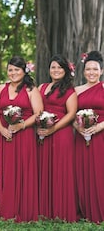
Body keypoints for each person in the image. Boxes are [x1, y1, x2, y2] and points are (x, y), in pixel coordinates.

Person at [0, 56, 43, 222]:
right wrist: (2, 129)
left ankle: (25, 209)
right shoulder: (1, 88)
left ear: (24, 71)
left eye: (17, 69)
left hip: (25, 135)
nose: (13, 73)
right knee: (8, 170)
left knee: (24, 169)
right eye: (10, 69)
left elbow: (38, 113)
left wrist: (21, 126)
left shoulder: (31, 90)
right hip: (6, 136)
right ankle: (8, 209)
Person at [37, 54, 78, 222]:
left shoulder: (69, 90)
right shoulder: (41, 87)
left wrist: (53, 128)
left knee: (60, 170)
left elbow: (71, 114)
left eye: (59, 67)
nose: (56, 70)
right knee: (44, 168)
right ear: (49, 69)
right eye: (53, 67)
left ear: (65, 70)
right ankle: (44, 210)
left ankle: (61, 210)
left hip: (61, 134)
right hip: (42, 133)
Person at [73, 51, 104, 223]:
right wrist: (78, 127)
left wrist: (99, 126)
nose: (91, 72)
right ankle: (84, 208)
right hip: (81, 137)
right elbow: (70, 115)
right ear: (83, 71)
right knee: (82, 171)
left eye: (95, 69)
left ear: (101, 71)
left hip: (101, 136)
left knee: (100, 172)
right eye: (88, 69)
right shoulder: (76, 91)